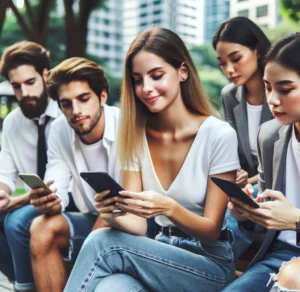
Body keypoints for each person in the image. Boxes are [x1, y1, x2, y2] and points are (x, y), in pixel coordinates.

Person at [65, 27, 240, 292]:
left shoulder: (218, 135)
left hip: (208, 265)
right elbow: (136, 224)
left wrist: (167, 207)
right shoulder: (135, 135)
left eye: (156, 75)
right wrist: (110, 213)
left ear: (182, 71)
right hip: (158, 253)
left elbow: (211, 230)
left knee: (102, 242)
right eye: (137, 80)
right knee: (111, 288)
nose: (146, 88)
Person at [26, 57, 120, 292]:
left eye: (84, 99)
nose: (76, 111)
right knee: (41, 227)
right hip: (91, 218)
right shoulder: (59, 129)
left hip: (134, 223)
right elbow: (56, 181)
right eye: (66, 104)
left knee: (96, 242)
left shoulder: (126, 124)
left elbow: (123, 202)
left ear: (103, 96)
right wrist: (50, 201)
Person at [222, 33, 300, 292]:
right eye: (268, 87)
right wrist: (246, 215)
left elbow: (290, 219)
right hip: (279, 255)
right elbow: (266, 224)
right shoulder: (270, 135)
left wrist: (296, 220)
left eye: (285, 89)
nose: (273, 100)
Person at [0, 41, 61, 290]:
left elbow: (61, 184)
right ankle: (25, 281)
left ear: (45, 76)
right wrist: (2, 193)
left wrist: (16, 202)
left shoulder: (70, 113)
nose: (24, 93)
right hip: (31, 202)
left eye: (30, 83)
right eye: (17, 86)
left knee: (17, 222)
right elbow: (5, 176)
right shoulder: (13, 123)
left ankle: (23, 287)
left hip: (67, 201)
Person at [213, 16, 273, 260]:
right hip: (247, 184)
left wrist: (248, 180)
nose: (229, 70)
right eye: (222, 63)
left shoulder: (285, 95)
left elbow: (280, 161)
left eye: (236, 59)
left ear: (257, 51)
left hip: (274, 182)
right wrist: (235, 174)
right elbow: (233, 153)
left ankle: (211, 262)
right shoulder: (230, 95)